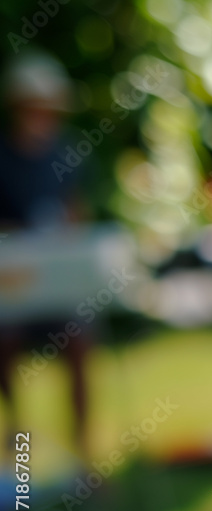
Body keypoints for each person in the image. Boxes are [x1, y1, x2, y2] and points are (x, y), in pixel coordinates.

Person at [0, 52, 91, 457]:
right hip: (14, 288)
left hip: (57, 285)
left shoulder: (64, 154)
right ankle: (17, 435)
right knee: (5, 341)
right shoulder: (4, 158)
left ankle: (83, 452)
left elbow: (76, 211)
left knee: (79, 340)